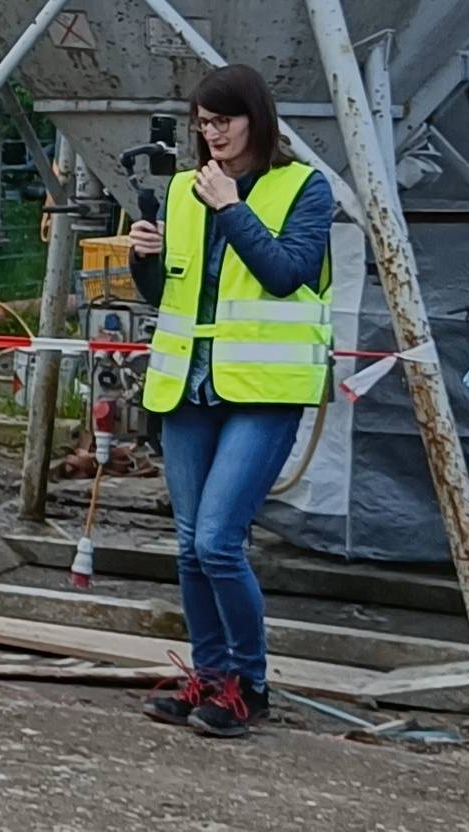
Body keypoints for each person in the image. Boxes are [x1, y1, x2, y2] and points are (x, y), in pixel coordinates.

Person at [127, 63, 335, 741]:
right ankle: (209, 678)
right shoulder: (186, 190)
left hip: (263, 388)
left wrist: (229, 207)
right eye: (203, 124)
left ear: (256, 119)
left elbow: (283, 274)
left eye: (223, 121)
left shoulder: (302, 187)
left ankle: (249, 684)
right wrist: (143, 258)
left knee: (218, 540)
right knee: (189, 546)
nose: (212, 134)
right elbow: (167, 294)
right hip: (189, 382)